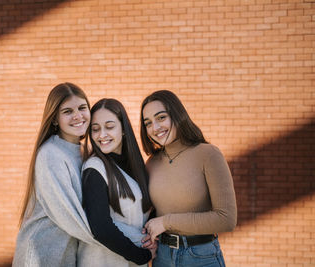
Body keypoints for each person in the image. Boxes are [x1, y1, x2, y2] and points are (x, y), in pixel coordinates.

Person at [140, 90, 237, 267]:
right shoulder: (151, 164)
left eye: (161, 117)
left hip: (200, 257)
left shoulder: (208, 154)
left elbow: (227, 219)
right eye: (148, 123)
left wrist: (166, 222)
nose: (155, 128)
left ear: (177, 115)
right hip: (162, 256)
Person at [13, 82, 100, 267]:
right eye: (67, 111)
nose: (77, 116)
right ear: (54, 119)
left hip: (66, 255)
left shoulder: (83, 152)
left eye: (82, 108)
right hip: (40, 255)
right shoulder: (50, 154)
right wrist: (128, 244)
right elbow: (72, 218)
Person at [78, 98, 156, 266]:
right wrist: (143, 255)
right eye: (95, 129)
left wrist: (151, 236)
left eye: (110, 126)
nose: (102, 135)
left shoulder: (136, 166)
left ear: (123, 129)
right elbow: (101, 228)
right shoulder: (94, 169)